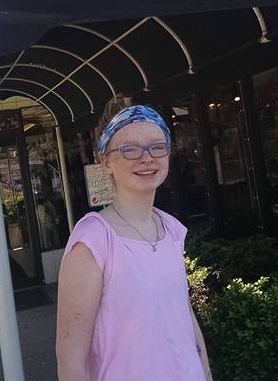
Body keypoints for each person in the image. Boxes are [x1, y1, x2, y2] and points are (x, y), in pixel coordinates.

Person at [56, 104, 212, 381]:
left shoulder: (171, 229)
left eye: (157, 147)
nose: (146, 158)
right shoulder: (93, 241)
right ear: (106, 161)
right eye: (130, 149)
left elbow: (183, 314)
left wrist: (206, 373)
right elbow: (70, 360)